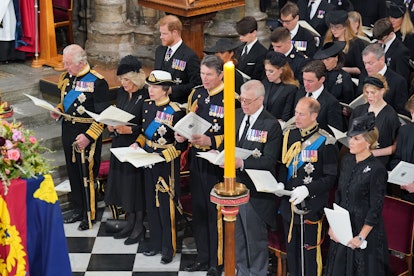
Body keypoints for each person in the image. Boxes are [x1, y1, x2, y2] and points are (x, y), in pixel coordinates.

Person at [50, 44, 111, 230]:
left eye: (68, 63)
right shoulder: (67, 77)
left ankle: (89, 213)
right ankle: (78, 208)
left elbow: (103, 116)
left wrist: (88, 137)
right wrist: (59, 110)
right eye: (64, 63)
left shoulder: (98, 82)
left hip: (87, 134)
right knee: (73, 173)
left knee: (87, 175)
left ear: (81, 62)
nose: (65, 67)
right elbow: (66, 102)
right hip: (68, 130)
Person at [278, 97, 339, 276]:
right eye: (296, 112)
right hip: (289, 203)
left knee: (309, 255)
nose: (296, 117)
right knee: (292, 252)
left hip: (311, 206)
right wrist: (281, 182)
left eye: (301, 114)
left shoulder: (326, 142)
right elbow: (284, 164)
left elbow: (330, 178)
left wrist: (308, 190)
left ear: (314, 116)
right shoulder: (290, 135)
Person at [176, 55, 225, 276]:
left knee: (215, 213)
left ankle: (217, 260)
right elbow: (190, 120)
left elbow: (234, 134)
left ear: (221, 75)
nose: (204, 79)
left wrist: (212, 141)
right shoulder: (197, 93)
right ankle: (202, 256)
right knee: (199, 209)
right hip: (197, 159)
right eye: (203, 74)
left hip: (217, 163)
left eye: (209, 75)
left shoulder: (230, 98)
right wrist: (181, 134)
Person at [325, 112, 390, 275]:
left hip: (364, 232)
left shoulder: (377, 169)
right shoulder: (346, 161)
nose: (350, 142)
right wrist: (334, 226)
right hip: (344, 228)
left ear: (368, 142)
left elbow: (376, 208)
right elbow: (339, 195)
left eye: (356, 139)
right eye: (350, 137)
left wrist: (361, 237)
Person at [132, 70, 185, 264]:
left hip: (166, 164)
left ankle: (168, 248)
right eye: (149, 87)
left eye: (154, 87)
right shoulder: (146, 106)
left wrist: (162, 156)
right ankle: (154, 242)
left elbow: (180, 145)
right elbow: (142, 132)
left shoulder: (176, 111)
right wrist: (137, 144)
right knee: (151, 204)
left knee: (165, 206)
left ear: (166, 90)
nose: (150, 91)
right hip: (147, 160)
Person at [234, 80, 283, 275]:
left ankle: (256, 272)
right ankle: (241, 270)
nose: (243, 104)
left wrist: (243, 163)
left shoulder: (270, 124)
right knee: (238, 236)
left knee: (254, 239)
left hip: (256, 192)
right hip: (235, 186)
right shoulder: (237, 115)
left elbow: (269, 161)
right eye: (241, 99)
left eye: (248, 100)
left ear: (260, 100)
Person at [104, 55, 148, 244]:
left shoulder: (146, 95)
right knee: (123, 186)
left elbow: (149, 125)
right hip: (119, 145)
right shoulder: (122, 93)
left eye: (127, 80)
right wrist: (111, 125)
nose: (123, 83)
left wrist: (130, 129)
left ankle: (139, 225)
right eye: (121, 79)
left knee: (134, 187)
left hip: (135, 146)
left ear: (136, 79)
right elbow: (117, 114)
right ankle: (129, 222)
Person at [350, 74, 400, 168]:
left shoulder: (390, 116)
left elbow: (395, 146)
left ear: (382, 91)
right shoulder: (359, 110)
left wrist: (373, 153)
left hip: (377, 160)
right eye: (367, 92)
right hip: (357, 156)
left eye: (373, 93)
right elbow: (351, 135)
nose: (369, 96)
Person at [154, 15, 201, 104]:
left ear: (175, 33)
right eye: (161, 33)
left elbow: (196, 85)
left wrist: (173, 90)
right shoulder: (159, 51)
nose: (161, 37)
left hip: (178, 103)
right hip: (159, 101)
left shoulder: (189, 56)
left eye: (164, 34)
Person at [358, 43, 410, 116]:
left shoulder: (398, 81)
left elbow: (402, 112)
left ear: (382, 60)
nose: (366, 67)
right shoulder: (364, 75)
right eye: (365, 63)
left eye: (370, 63)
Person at [294, 60, 344, 132]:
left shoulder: (331, 103)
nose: (305, 84)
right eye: (304, 80)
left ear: (322, 79)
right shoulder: (300, 93)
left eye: (310, 81)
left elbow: (334, 132)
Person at [323, 10, 369, 77]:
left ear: (345, 27)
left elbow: (361, 69)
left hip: (350, 79)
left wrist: (341, 69)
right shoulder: (329, 40)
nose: (333, 30)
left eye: (337, 27)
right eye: (331, 27)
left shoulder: (356, 43)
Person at [372, 17, 411, 85]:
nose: (379, 42)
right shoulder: (378, 44)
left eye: (382, 39)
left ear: (391, 34)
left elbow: (401, 80)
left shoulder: (401, 52)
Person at [390, 94, 414, 203]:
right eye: (412, 113)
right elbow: (396, 159)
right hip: (407, 193)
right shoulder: (405, 131)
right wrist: (401, 179)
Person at [262, 51, 299, 122]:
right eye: (266, 70)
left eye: (271, 71)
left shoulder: (291, 89)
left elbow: (286, 115)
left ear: (281, 70)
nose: (267, 74)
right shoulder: (265, 83)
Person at [235, 16, 268, 81]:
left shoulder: (262, 53)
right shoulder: (239, 47)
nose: (240, 38)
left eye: (244, 35)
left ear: (254, 33)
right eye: (240, 35)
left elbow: (258, 76)